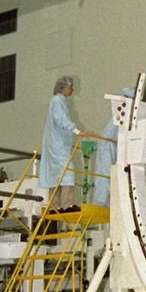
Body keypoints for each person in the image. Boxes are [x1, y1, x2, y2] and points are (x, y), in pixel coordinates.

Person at [40, 76, 85, 209]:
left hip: (57, 144)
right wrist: (76, 130)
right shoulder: (57, 101)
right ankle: (67, 204)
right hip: (57, 144)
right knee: (67, 171)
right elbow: (60, 119)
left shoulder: (61, 101)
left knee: (56, 174)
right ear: (64, 88)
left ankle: (55, 206)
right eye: (70, 87)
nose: (72, 89)